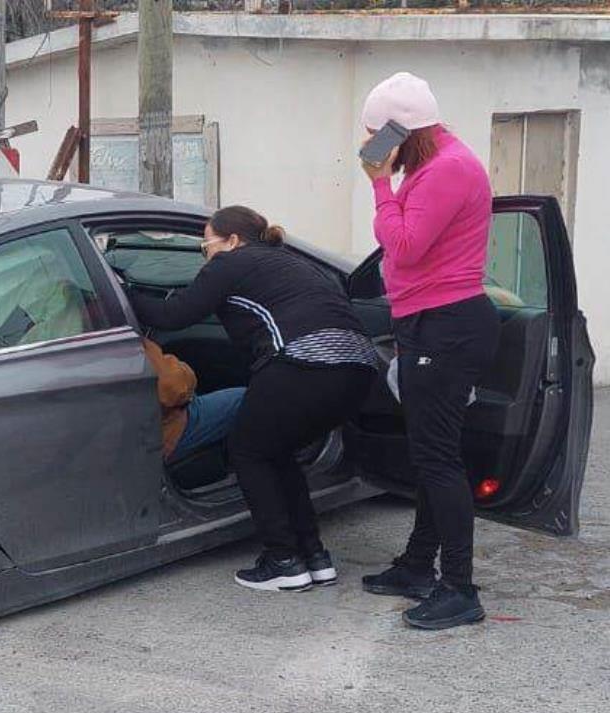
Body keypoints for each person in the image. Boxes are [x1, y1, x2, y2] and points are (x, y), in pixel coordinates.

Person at [130, 206, 378, 592]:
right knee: (277, 453)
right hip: (358, 368)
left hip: (304, 363)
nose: (204, 254)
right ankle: (313, 558)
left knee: (248, 450)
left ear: (230, 240)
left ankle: (283, 560)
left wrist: (120, 295)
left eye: (205, 244)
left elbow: (175, 314)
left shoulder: (230, 262)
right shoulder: (289, 262)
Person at [358, 72, 498, 630]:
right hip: (428, 323)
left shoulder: (449, 170)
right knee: (428, 454)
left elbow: (406, 245)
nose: (371, 148)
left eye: (375, 136)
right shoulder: (430, 165)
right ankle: (418, 565)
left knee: (438, 460)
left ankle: (460, 590)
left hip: (448, 327)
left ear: (400, 132)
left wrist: (377, 185)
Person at [141, 337, 246, 464]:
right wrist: (185, 373)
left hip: (128, 439)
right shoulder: (127, 345)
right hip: (161, 436)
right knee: (248, 399)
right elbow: (174, 387)